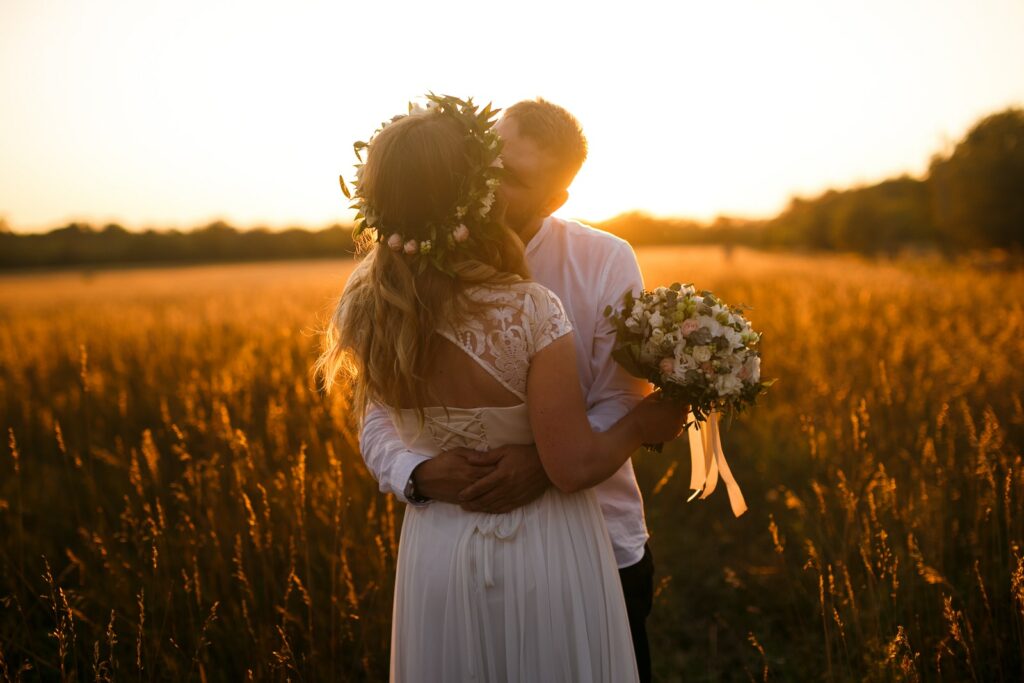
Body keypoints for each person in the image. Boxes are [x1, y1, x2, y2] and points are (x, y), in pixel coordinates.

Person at [318, 94, 688, 682]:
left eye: (511, 179)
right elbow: (377, 416)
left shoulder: (604, 259)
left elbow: (621, 395)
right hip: (450, 532)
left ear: (556, 197)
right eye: (485, 164)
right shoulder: (390, 281)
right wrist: (415, 473)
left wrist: (542, 461)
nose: (488, 187)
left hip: (598, 539)